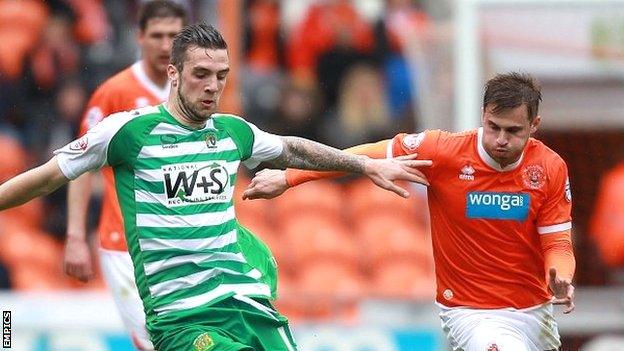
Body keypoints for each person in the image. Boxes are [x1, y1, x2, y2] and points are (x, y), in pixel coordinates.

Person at [0, 23, 431, 351]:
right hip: (182, 319)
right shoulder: (128, 132)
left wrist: (363, 165)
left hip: (245, 303)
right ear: (173, 73)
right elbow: (48, 176)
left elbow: (291, 148)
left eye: (221, 76)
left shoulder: (231, 132)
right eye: (201, 74)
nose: (212, 86)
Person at [243, 72, 576, 351]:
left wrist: (561, 275)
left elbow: (558, 244)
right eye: (493, 127)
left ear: (534, 125)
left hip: (534, 310)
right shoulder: (444, 152)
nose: (500, 139)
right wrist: (289, 177)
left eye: (513, 131)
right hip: (469, 310)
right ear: (482, 117)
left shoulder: (548, 168)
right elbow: (366, 154)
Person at [61, 1, 186, 350]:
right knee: (155, 343)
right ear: (140, 37)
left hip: (179, 245)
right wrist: (74, 235)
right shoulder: (115, 93)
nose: (165, 46)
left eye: (174, 36)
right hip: (125, 247)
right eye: (157, 36)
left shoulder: (196, 94)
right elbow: (78, 164)